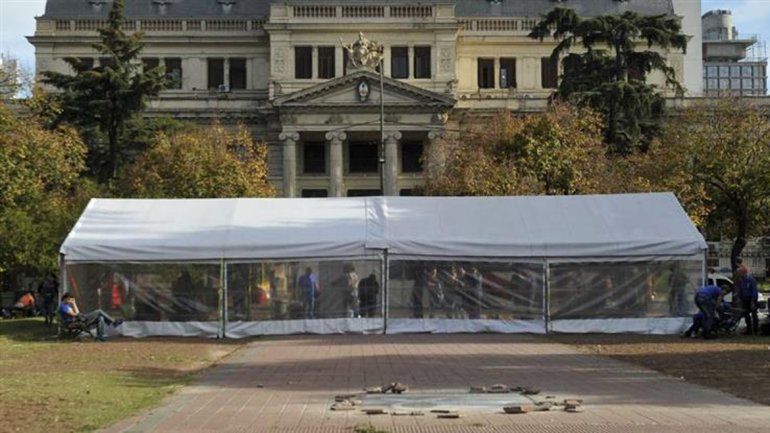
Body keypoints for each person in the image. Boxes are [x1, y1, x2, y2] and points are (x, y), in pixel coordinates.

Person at [58, 293, 123, 341]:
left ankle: (100, 337)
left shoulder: (67, 305)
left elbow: (77, 313)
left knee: (100, 318)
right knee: (99, 311)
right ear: (65, 299)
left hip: (79, 319)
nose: (70, 301)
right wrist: (79, 315)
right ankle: (114, 322)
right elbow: (74, 314)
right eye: (69, 299)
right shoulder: (63, 306)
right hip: (76, 322)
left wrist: (74, 304)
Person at [736, 266, 759, 335]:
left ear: (743, 273)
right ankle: (749, 330)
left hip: (752, 299)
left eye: (739, 273)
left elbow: (754, 291)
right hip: (745, 299)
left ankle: (756, 330)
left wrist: (752, 301)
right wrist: (739, 298)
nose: (738, 274)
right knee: (746, 314)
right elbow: (740, 290)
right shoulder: (741, 281)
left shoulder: (751, 280)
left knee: (754, 314)